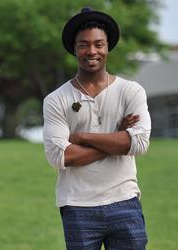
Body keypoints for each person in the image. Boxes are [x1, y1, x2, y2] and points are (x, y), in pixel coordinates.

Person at [43, 7, 151, 250]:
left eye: (98, 44)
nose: (92, 51)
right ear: (74, 48)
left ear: (108, 47)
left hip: (124, 200)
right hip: (77, 204)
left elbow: (140, 143)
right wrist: (118, 138)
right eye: (84, 45)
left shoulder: (130, 91)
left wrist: (82, 137)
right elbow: (59, 156)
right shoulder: (55, 100)